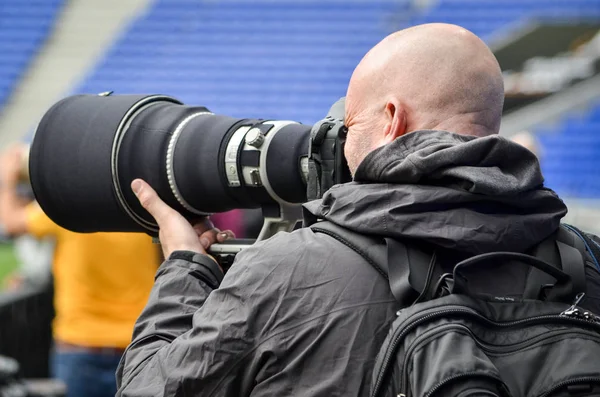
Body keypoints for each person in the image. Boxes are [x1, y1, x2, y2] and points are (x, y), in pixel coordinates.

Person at [116, 23, 600, 396]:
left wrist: (183, 267)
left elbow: (148, 387)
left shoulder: (288, 271)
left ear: (392, 118)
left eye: (349, 124)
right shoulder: (586, 260)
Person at [0, 144, 160, 397]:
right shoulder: (142, 208)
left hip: (80, 346)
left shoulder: (66, 207)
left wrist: (8, 178)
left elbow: (11, 222)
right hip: (137, 344)